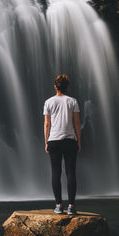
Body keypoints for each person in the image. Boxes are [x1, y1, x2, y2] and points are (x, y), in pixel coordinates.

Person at [43, 74, 81, 215]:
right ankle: (71, 206)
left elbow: (47, 124)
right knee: (71, 172)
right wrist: (79, 141)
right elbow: (77, 123)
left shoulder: (49, 102)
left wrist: (46, 142)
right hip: (70, 140)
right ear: (67, 87)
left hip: (54, 140)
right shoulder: (73, 101)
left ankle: (59, 205)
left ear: (55, 87)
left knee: (55, 172)